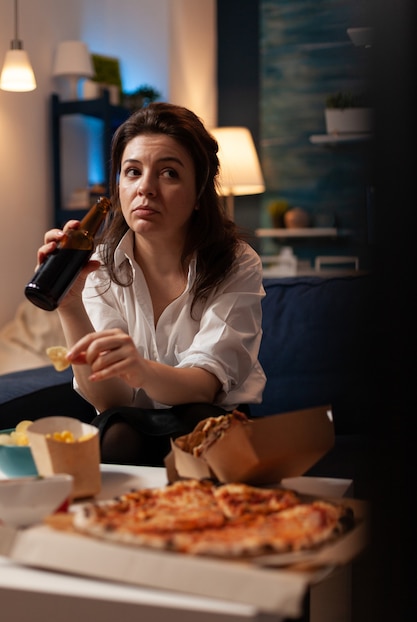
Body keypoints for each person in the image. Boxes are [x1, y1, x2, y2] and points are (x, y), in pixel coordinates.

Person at [37, 102, 266, 466]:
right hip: (131, 427)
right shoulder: (99, 264)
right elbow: (109, 399)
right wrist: (70, 303)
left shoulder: (237, 262)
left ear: (198, 192)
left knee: (197, 426)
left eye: (169, 173)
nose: (146, 188)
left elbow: (203, 386)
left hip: (210, 423)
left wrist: (141, 370)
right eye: (132, 172)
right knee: (114, 430)